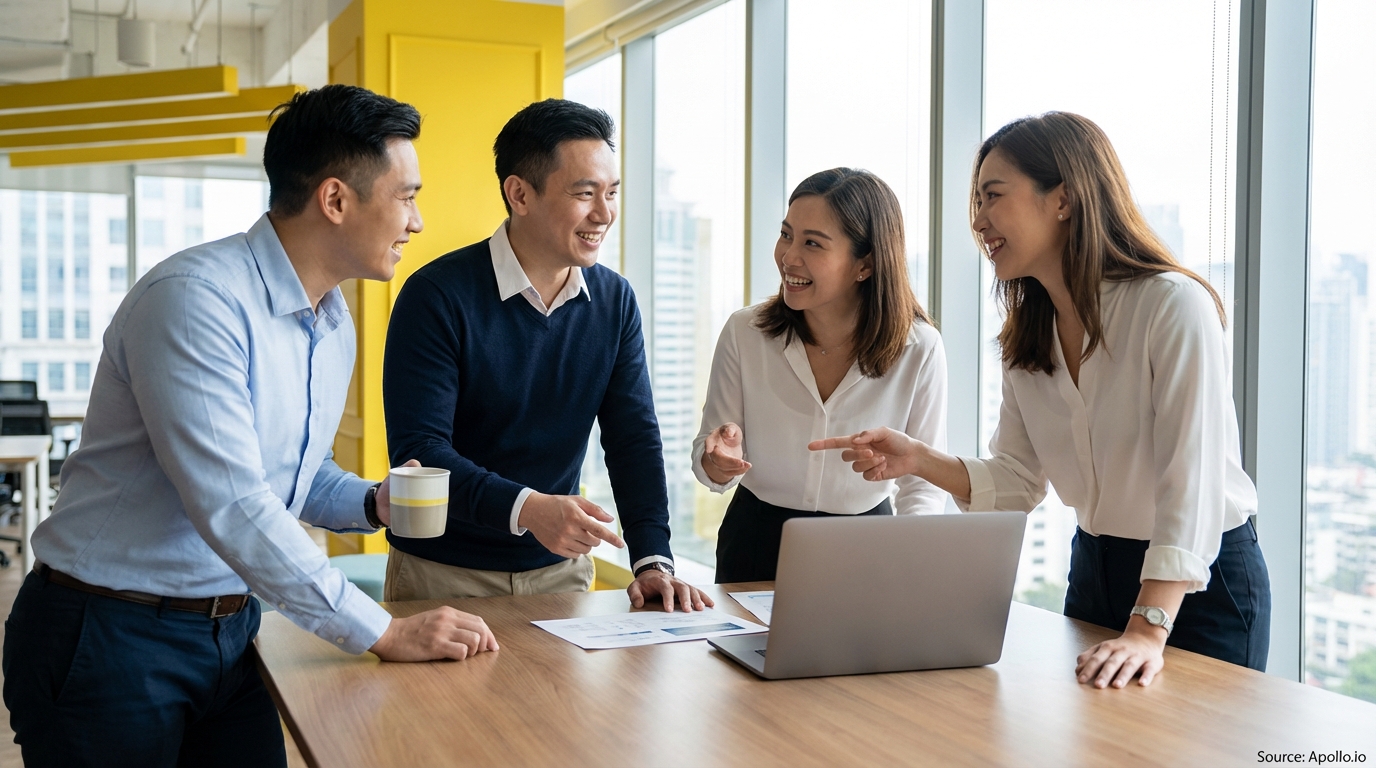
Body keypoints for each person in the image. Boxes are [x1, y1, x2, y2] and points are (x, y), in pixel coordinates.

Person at [3, 85, 498, 768]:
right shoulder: (194, 301)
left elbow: (292, 469)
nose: (416, 220)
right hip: (108, 633)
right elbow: (234, 502)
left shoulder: (332, 323)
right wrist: (381, 631)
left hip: (233, 629)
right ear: (335, 199)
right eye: (407, 195)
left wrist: (369, 502)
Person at [811, 112, 1270, 689]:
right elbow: (1019, 482)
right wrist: (917, 460)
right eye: (976, 201)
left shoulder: (1172, 305)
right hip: (1096, 570)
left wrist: (1149, 629)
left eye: (993, 196)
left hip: (1197, 585)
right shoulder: (1026, 336)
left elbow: (1192, 481)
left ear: (1064, 199)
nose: (978, 220)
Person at [381, 99, 712, 613]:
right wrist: (527, 508)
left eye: (611, 192)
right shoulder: (436, 296)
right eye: (584, 193)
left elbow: (633, 440)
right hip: (443, 577)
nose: (603, 214)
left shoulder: (615, 300)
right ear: (520, 194)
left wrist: (652, 559)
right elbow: (420, 452)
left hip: (561, 575)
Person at [694, 168, 948, 583]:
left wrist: (912, 550)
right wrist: (717, 462)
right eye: (786, 234)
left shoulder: (918, 348)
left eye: (812, 243)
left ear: (864, 264)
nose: (789, 256)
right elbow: (709, 457)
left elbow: (924, 481)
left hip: (869, 548)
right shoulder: (746, 331)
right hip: (755, 540)